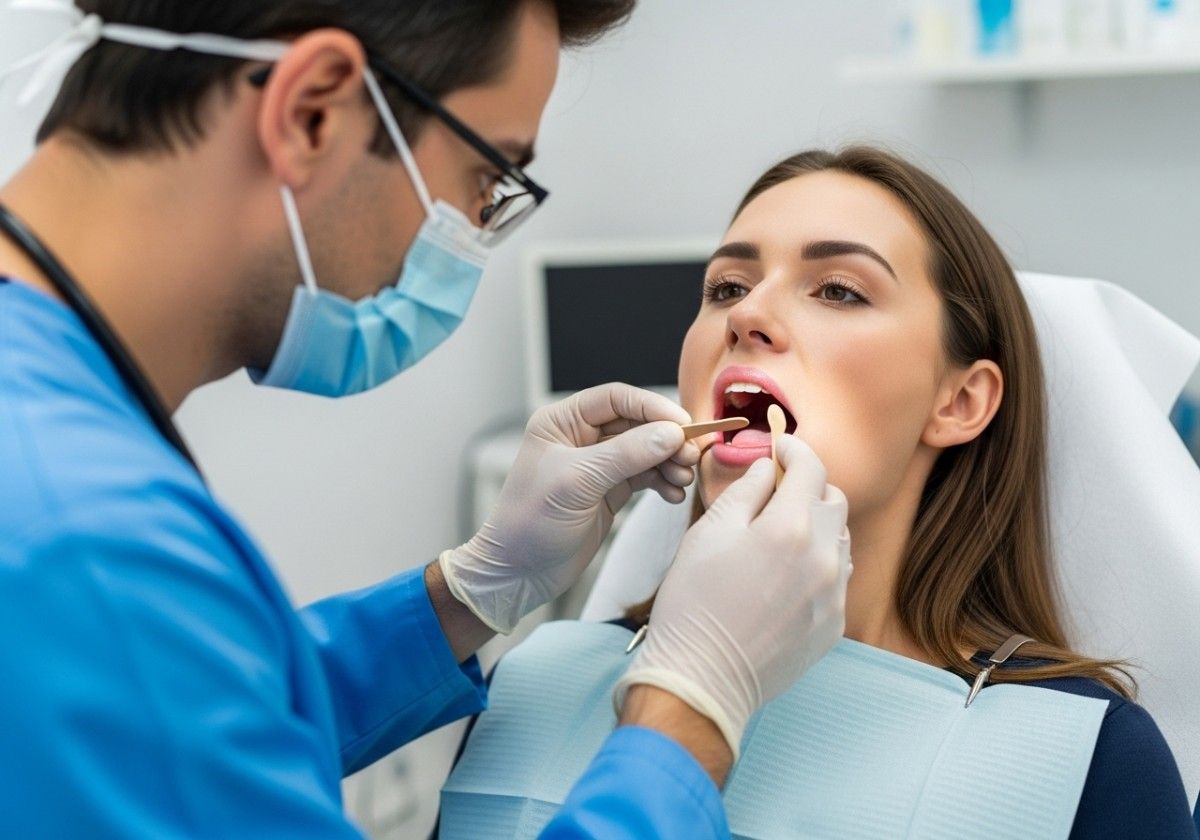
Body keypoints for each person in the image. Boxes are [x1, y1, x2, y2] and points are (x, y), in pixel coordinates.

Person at [0, 2, 851, 837]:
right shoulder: (81, 543)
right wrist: (691, 714)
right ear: (313, 110)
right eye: (487, 180)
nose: (750, 319)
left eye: (841, 291)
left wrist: (473, 587)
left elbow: (192, 724)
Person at [440, 147, 1199, 838]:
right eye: (727, 286)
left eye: (838, 290)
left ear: (960, 401)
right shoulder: (537, 678)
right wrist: (472, 589)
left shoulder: (1088, 759)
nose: (748, 315)